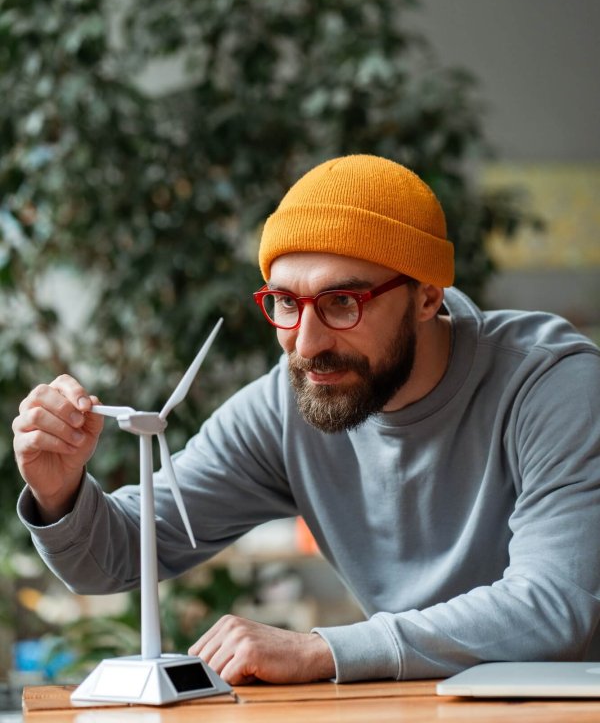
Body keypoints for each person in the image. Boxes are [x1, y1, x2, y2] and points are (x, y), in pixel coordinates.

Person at [13, 154, 600, 686]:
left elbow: (554, 606)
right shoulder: (284, 405)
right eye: (286, 302)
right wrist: (59, 489)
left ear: (426, 296)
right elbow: (115, 557)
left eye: (343, 302)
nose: (306, 342)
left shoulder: (551, 384)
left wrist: (322, 649)